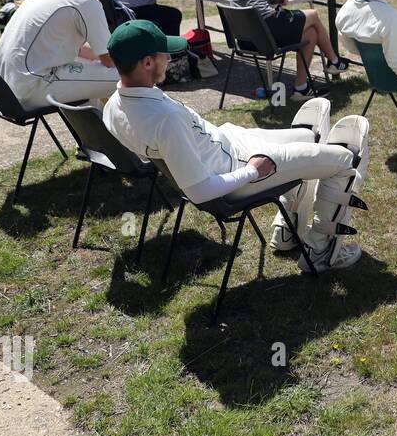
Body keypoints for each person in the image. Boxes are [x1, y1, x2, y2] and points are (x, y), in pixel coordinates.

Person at [102, 20, 369, 272]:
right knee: (346, 159)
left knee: (311, 137)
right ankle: (321, 252)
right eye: (164, 55)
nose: (170, 59)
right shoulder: (164, 120)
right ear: (147, 62)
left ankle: (288, 232)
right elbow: (200, 191)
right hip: (239, 171)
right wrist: (254, 171)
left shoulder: (113, 105)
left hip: (229, 146)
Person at [0, 0, 121, 108]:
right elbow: (110, 60)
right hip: (28, 89)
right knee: (131, 75)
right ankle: (129, 130)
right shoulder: (85, 0)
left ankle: (95, 128)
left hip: (3, 86)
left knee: (93, 70)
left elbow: (83, 50)